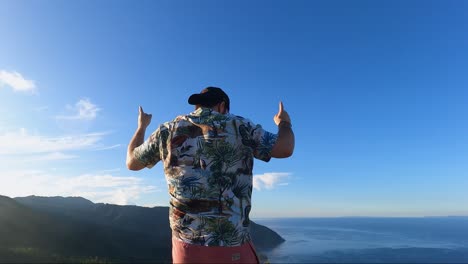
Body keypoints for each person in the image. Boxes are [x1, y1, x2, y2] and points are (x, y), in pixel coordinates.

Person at [126, 87, 294, 263]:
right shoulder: (239, 126)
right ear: (222, 106)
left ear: (197, 105)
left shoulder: (166, 131)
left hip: (186, 249)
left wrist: (142, 126)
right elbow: (285, 147)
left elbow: (132, 162)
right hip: (232, 247)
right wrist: (284, 122)